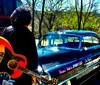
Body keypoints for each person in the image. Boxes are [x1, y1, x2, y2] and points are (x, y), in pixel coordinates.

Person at [2, 5, 38, 85]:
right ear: (27, 20)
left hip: (7, 74)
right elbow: (33, 60)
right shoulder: (29, 35)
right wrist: (34, 74)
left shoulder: (6, 31)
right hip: (23, 76)